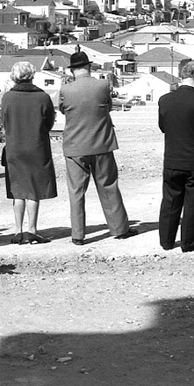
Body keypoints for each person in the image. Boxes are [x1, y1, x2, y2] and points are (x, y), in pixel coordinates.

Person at [58, 51, 135, 245]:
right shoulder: (103, 86)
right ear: (89, 67)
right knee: (108, 186)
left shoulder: (65, 90)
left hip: (75, 146)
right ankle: (119, 229)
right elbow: (108, 107)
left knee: (76, 192)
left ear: (72, 70)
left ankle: (78, 235)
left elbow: (62, 109)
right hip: (101, 143)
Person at [157, 62, 194, 252]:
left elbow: (163, 127)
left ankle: (166, 240)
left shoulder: (164, 100)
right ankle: (188, 242)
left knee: (170, 200)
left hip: (172, 159)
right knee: (193, 202)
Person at [0, 61, 57, 244]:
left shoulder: (7, 97)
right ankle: (32, 230)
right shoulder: (43, 97)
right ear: (32, 75)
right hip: (37, 146)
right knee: (34, 190)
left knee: (18, 190)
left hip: (15, 147)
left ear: (14, 76)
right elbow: (49, 123)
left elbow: (5, 122)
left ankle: (18, 231)